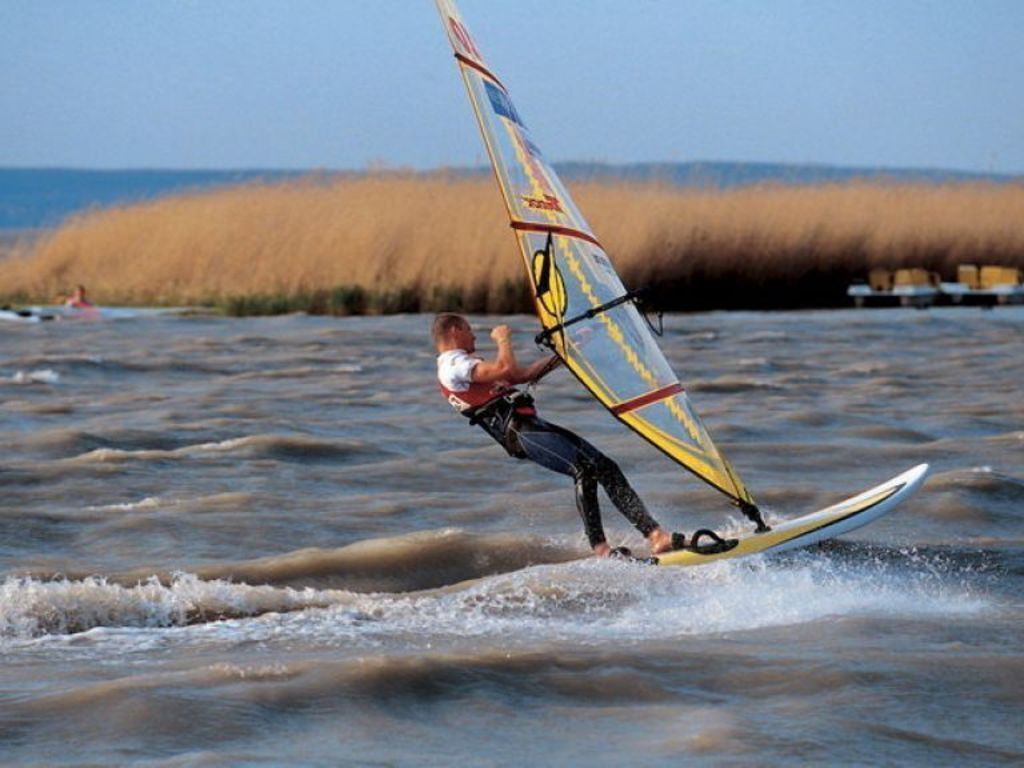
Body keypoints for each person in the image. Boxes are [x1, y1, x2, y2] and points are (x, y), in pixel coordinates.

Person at [432, 312, 686, 558]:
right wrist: (502, 339)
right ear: (454, 331)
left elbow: (524, 375)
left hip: (531, 425)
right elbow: (506, 368)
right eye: (468, 329)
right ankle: (601, 549)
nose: (474, 335)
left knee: (605, 467)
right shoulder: (453, 365)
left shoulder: (462, 365)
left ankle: (655, 535)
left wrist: (568, 351)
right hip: (520, 432)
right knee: (584, 469)